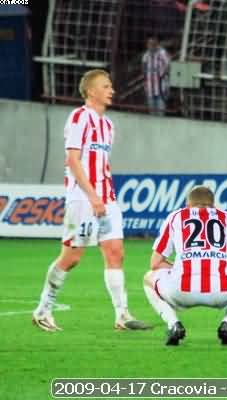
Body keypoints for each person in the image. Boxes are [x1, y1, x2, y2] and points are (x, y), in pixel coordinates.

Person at [32, 69, 147, 332]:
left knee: (115, 252)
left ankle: (122, 315)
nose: (112, 91)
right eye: (106, 86)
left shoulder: (108, 125)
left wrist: (104, 197)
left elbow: (100, 162)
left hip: (107, 197)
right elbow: (73, 160)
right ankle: (43, 310)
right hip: (83, 198)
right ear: (92, 91)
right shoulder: (79, 118)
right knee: (72, 257)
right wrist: (92, 196)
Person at [143, 186, 227, 346]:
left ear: (188, 204)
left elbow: (155, 263)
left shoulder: (176, 217)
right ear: (213, 205)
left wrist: (178, 266)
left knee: (148, 278)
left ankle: (173, 324)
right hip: (222, 291)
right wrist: (225, 266)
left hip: (181, 291)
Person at [142, 36, 170, 116]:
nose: (150, 46)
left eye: (152, 44)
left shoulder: (162, 53)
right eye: (149, 44)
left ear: (156, 44)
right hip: (150, 88)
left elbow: (168, 65)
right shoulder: (146, 55)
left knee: (161, 111)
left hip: (161, 88)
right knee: (151, 112)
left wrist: (162, 75)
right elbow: (143, 67)